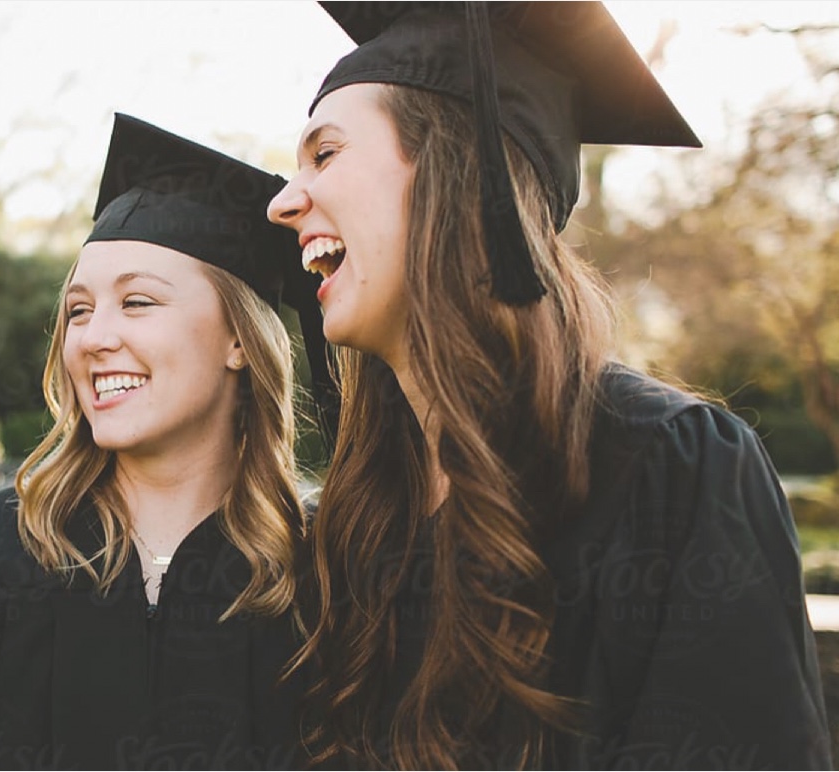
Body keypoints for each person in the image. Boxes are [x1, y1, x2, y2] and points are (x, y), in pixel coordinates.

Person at [265, 2, 831, 768]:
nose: (283, 201)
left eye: (324, 155)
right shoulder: (361, 513)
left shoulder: (672, 470)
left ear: (454, 170)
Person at [0, 113, 331, 770]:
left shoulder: (324, 565)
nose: (92, 337)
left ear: (237, 340)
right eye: (78, 310)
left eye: (136, 302)